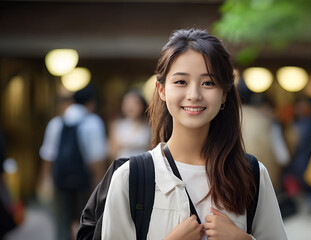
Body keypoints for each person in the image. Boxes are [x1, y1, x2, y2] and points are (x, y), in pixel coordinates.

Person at [101, 28, 288, 239]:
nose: (194, 95)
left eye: (208, 83)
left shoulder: (251, 174)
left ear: (224, 94)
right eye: (181, 82)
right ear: (161, 89)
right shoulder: (129, 178)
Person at [39, 84, 107, 240]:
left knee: (62, 223)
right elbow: (95, 159)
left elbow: (48, 156)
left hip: (60, 181)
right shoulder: (92, 122)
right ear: (91, 103)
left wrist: (44, 181)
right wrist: (101, 185)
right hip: (85, 182)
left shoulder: (56, 123)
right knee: (87, 223)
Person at [108, 89, 151, 161]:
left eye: (135, 103)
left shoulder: (149, 126)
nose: (131, 107)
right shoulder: (117, 125)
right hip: (122, 166)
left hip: (143, 167)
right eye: (127, 103)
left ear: (142, 105)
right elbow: (112, 152)